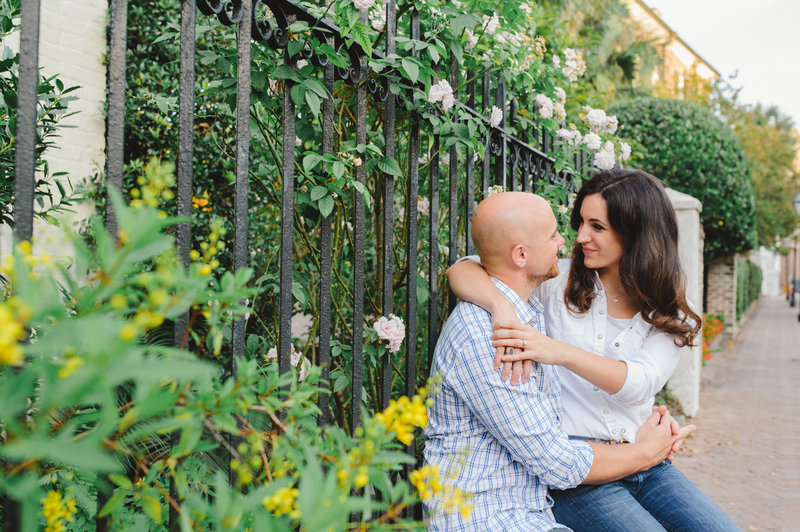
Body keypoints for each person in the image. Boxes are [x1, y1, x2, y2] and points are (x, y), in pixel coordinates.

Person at [446, 169, 740, 531]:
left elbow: (640, 383)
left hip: (644, 457)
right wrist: (499, 305)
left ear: (636, 234)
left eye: (597, 226)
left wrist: (557, 351)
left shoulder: (668, 309)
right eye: (581, 222)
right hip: (582, 469)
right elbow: (465, 268)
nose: (581, 235)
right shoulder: (558, 281)